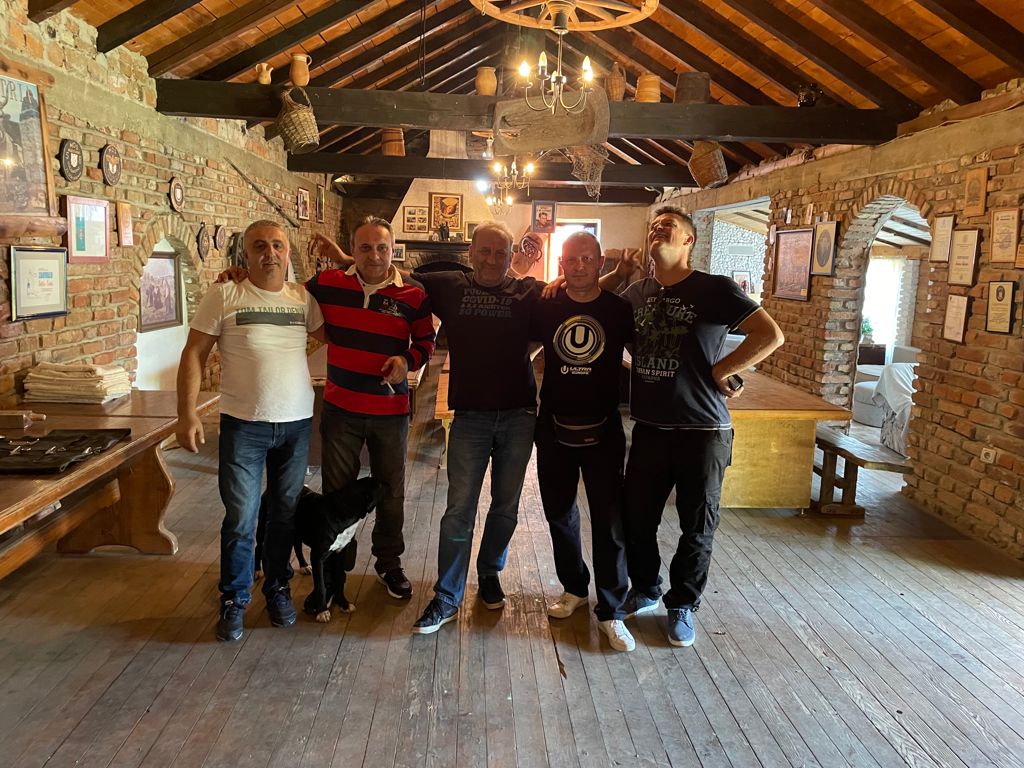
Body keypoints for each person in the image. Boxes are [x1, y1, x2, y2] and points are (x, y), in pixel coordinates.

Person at [612, 206, 784, 648]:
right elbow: (606, 323)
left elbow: (769, 334)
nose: (658, 229)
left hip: (703, 431)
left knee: (697, 526)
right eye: (654, 225)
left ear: (689, 240)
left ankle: (683, 603)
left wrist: (723, 369)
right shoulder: (636, 293)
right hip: (650, 428)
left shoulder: (714, 288)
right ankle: (646, 588)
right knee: (637, 520)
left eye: (669, 226)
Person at [176, 219, 325, 642]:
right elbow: (194, 353)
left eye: (277, 245)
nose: (269, 253)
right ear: (246, 253)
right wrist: (186, 414)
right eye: (260, 246)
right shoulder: (225, 294)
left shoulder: (303, 298)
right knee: (242, 517)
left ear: (288, 253)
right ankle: (235, 597)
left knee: (284, 514)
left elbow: (340, 334)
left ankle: (277, 587)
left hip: (296, 423)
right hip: (244, 425)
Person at [305, 219, 435, 601]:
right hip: (340, 409)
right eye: (365, 248)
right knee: (337, 493)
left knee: (390, 491)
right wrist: (238, 277)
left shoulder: (414, 294)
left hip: (390, 412)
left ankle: (388, 563)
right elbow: (282, 291)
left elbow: (426, 342)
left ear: (394, 250)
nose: (374, 255)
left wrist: (406, 360)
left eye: (382, 248)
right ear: (352, 250)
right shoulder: (326, 284)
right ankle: (337, 567)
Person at [530, 232, 636, 652]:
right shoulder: (546, 304)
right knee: (559, 514)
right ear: (561, 264)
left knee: (609, 521)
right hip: (553, 426)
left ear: (600, 262)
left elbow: (647, 356)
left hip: (604, 429)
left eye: (586, 259)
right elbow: (520, 347)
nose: (578, 267)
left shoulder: (619, 309)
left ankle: (612, 610)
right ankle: (574, 587)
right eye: (571, 260)